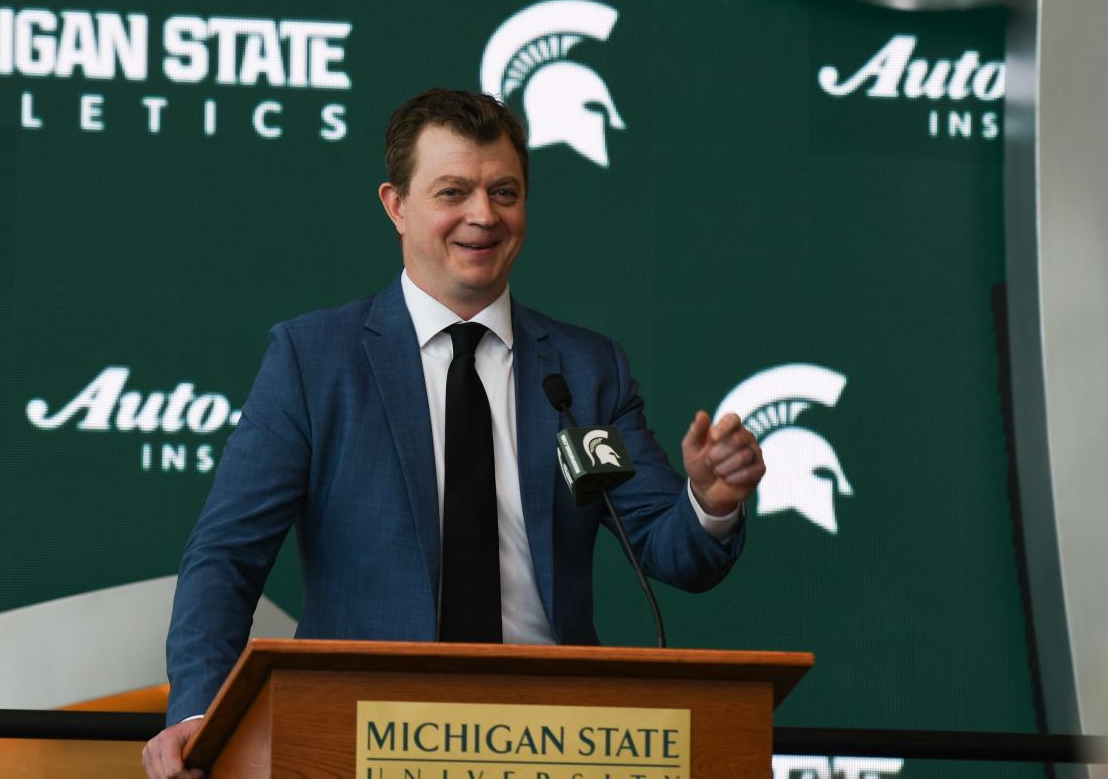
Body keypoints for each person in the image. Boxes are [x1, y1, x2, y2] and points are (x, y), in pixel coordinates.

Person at [142, 88, 764, 779]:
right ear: (396, 205)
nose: (483, 215)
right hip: (358, 734)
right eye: (453, 191)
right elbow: (226, 557)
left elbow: (672, 549)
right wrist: (199, 713)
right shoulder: (315, 360)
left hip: (556, 738)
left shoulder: (586, 371)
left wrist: (709, 499)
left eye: (504, 191)